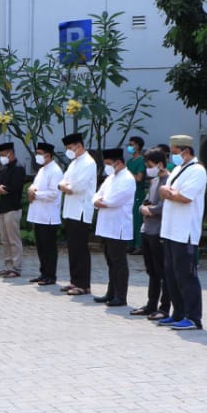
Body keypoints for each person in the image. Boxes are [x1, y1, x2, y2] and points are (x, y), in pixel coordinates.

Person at [157, 134, 207, 330]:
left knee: (186, 275)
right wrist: (168, 193)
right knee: (171, 274)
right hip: (170, 230)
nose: (173, 156)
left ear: (186, 151)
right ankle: (178, 313)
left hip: (185, 232)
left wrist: (167, 193)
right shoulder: (178, 169)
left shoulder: (197, 170)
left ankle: (193, 317)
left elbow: (185, 197)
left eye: (175, 152)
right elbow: (169, 192)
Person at [92, 147, 135, 306]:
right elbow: (97, 195)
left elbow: (114, 200)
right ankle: (111, 293)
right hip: (106, 226)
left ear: (118, 162)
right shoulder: (110, 178)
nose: (107, 167)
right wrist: (97, 201)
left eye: (109, 163)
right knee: (110, 261)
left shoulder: (127, 178)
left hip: (118, 226)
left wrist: (101, 201)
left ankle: (121, 296)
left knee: (119, 262)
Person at [132, 149, 171, 320]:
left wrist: (150, 210)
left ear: (160, 164)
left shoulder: (169, 181)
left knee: (163, 272)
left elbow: (164, 207)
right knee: (152, 271)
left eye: (149, 165)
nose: (148, 169)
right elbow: (146, 202)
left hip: (159, 232)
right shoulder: (154, 181)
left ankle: (164, 307)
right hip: (147, 230)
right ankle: (151, 304)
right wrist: (144, 208)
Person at [58, 132, 97, 295]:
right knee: (73, 248)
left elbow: (78, 186)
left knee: (80, 248)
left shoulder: (89, 162)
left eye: (69, 148)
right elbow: (63, 181)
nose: (68, 151)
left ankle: (83, 284)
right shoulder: (74, 163)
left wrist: (67, 187)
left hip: (81, 210)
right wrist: (65, 186)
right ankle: (74, 280)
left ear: (78, 146)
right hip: (70, 210)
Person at [26, 142, 63, 286]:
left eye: (39, 154)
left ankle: (50, 275)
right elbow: (35, 185)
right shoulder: (42, 170)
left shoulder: (55, 171)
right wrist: (31, 190)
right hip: (38, 214)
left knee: (49, 248)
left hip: (48, 216)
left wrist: (36, 194)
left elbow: (54, 193)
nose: (37, 156)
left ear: (48, 155)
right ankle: (43, 273)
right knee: (41, 246)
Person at [0, 142, 25, 278]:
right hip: (3, 207)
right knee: (5, 239)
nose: (1, 157)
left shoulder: (18, 168)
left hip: (13, 207)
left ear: (10, 153)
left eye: (2, 155)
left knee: (13, 240)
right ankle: (8, 266)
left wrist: (4, 189)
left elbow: (16, 187)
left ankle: (16, 268)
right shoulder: (5, 168)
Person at [127, 136, 147, 255]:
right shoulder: (129, 161)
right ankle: (130, 244)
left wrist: (127, 173)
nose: (129, 147)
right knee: (129, 220)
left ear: (138, 146)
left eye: (132, 144)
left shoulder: (141, 161)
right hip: (129, 194)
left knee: (137, 220)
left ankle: (139, 245)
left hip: (138, 193)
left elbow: (139, 178)